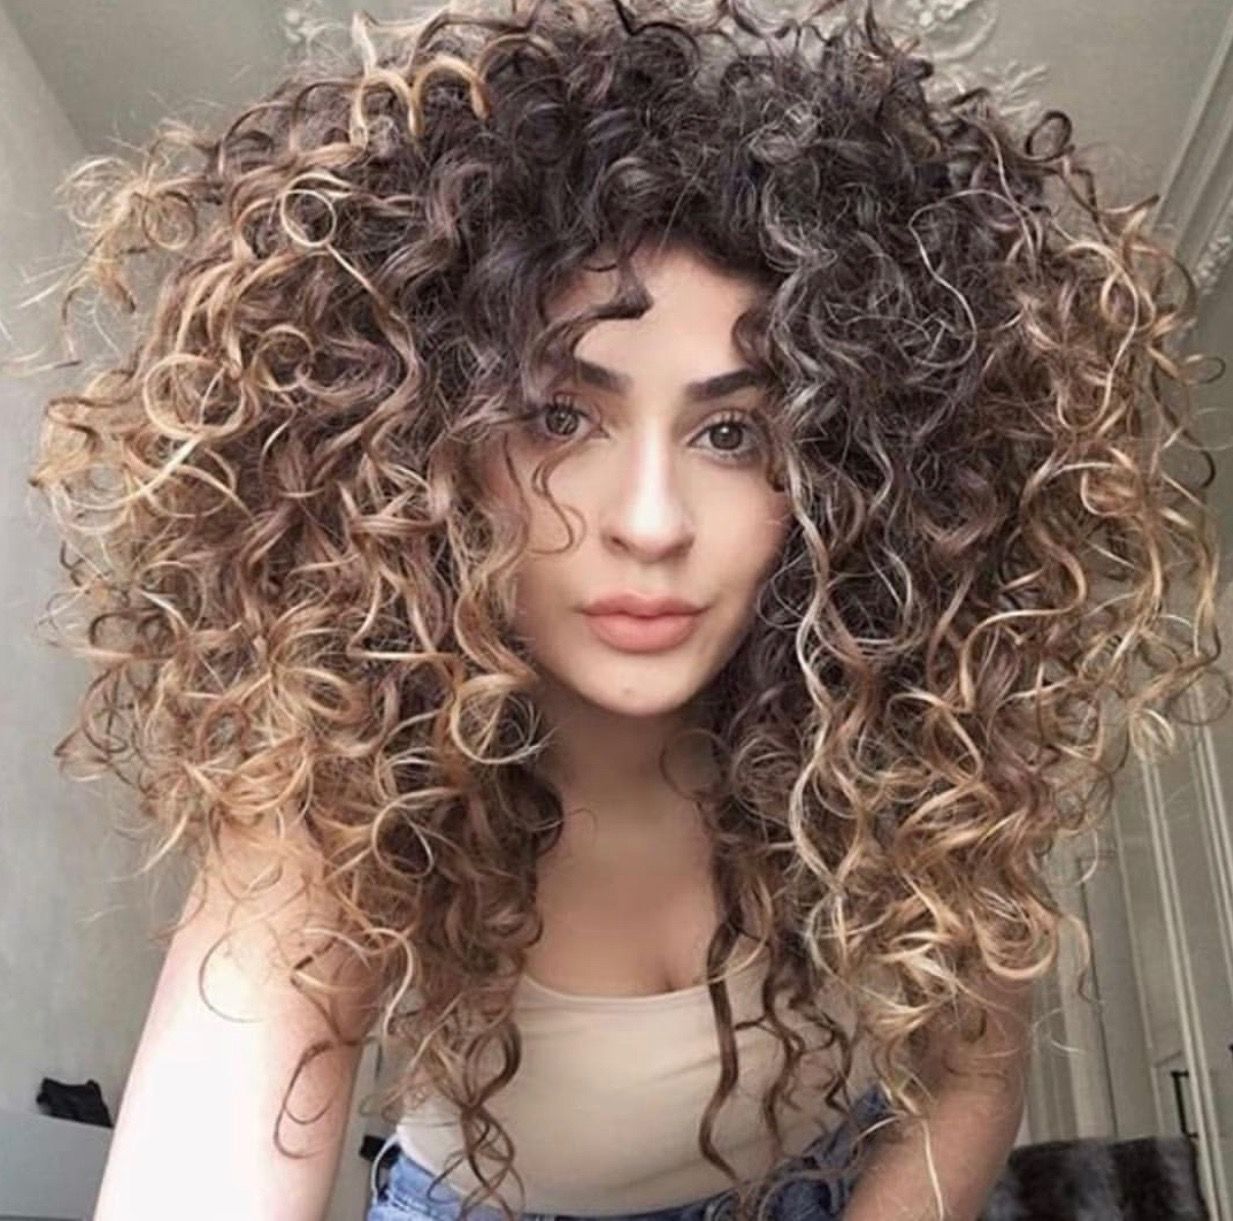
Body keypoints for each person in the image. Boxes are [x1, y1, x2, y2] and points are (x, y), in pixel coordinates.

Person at [19, 0, 1229, 1217]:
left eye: (731, 433)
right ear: (432, 453)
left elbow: (972, 1076)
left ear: (842, 472)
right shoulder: (335, 794)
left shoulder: (906, 739)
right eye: (560, 417)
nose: (650, 522)